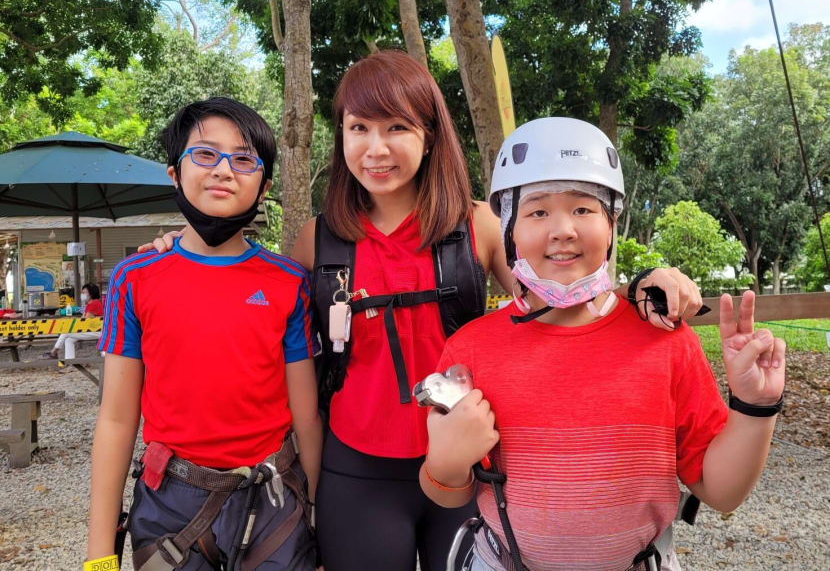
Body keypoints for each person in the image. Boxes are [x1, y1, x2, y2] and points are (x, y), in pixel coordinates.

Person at [143, 51, 705, 571]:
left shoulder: (479, 224)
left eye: (396, 128)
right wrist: (185, 246)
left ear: (430, 135)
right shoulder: (318, 240)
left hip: (470, 468)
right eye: (358, 128)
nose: (376, 148)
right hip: (355, 469)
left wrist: (645, 285)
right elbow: (256, 314)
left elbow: (563, 294)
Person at [420, 117, 787, 571]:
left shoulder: (666, 340)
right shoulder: (471, 348)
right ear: (510, 230)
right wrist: (448, 461)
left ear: (611, 224)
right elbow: (442, 489)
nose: (563, 230)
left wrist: (754, 406)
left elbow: (721, 489)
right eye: (537, 211)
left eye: (583, 209)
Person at [85, 97, 322, 571]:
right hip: (171, 501)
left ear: (264, 185)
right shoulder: (134, 279)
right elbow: (115, 420)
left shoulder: (288, 281)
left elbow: (307, 415)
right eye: (206, 154)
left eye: (243, 159)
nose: (223, 170)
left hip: (273, 497)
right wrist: (99, 558)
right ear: (174, 173)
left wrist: (320, 526)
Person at [46, 283, 104, 359]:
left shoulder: (94, 303)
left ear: (91, 294)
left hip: (97, 331)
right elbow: (83, 319)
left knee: (66, 332)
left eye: (84, 293)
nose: (82, 294)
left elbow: (85, 321)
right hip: (92, 330)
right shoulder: (90, 305)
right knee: (69, 340)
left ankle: (53, 352)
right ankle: (70, 363)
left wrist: (73, 321)